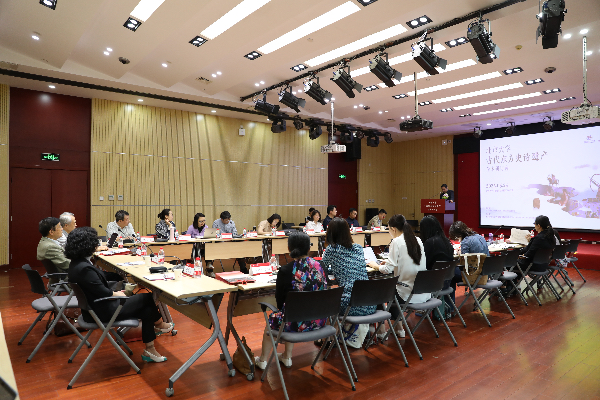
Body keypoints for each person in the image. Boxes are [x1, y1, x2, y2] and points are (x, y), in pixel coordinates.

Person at [66, 227, 173, 363]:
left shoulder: (77, 263)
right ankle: (159, 324)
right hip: (101, 312)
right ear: (87, 245)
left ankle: (150, 349)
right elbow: (103, 291)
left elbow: (100, 276)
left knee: (146, 309)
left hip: (93, 308)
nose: (96, 245)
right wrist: (117, 293)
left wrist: (121, 275)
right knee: (146, 297)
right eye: (94, 242)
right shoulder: (84, 269)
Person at [254, 232, 327, 370]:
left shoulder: (286, 270)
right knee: (292, 312)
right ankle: (286, 356)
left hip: (295, 322)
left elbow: (280, 302)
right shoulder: (319, 266)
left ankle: (263, 360)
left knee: (277, 318)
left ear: (289, 248)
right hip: (319, 320)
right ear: (309, 248)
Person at [367, 214, 428, 338]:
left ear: (393, 229)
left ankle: (381, 331)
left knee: (379, 292)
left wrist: (375, 265)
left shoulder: (396, 241)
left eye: (389, 229)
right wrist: (389, 262)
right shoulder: (417, 239)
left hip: (408, 294)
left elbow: (387, 270)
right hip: (423, 292)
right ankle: (399, 328)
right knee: (394, 291)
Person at [321, 218, 375, 317]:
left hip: (349, 304)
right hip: (370, 302)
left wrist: (332, 270)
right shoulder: (358, 248)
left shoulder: (332, 249)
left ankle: (338, 327)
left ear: (330, 233)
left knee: (325, 302)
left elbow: (321, 269)